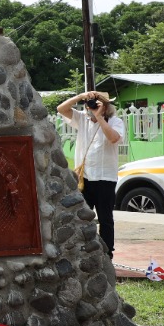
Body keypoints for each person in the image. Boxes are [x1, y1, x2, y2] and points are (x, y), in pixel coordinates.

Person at [57, 89, 125, 257]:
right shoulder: (82, 119)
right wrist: (81, 96)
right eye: (91, 104)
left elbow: (113, 138)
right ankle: (83, 252)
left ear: (107, 106)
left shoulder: (115, 122)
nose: (93, 107)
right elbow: (61, 109)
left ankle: (107, 254)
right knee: (81, 218)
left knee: (105, 219)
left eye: (98, 103)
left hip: (105, 178)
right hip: (84, 179)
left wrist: (100, 117)